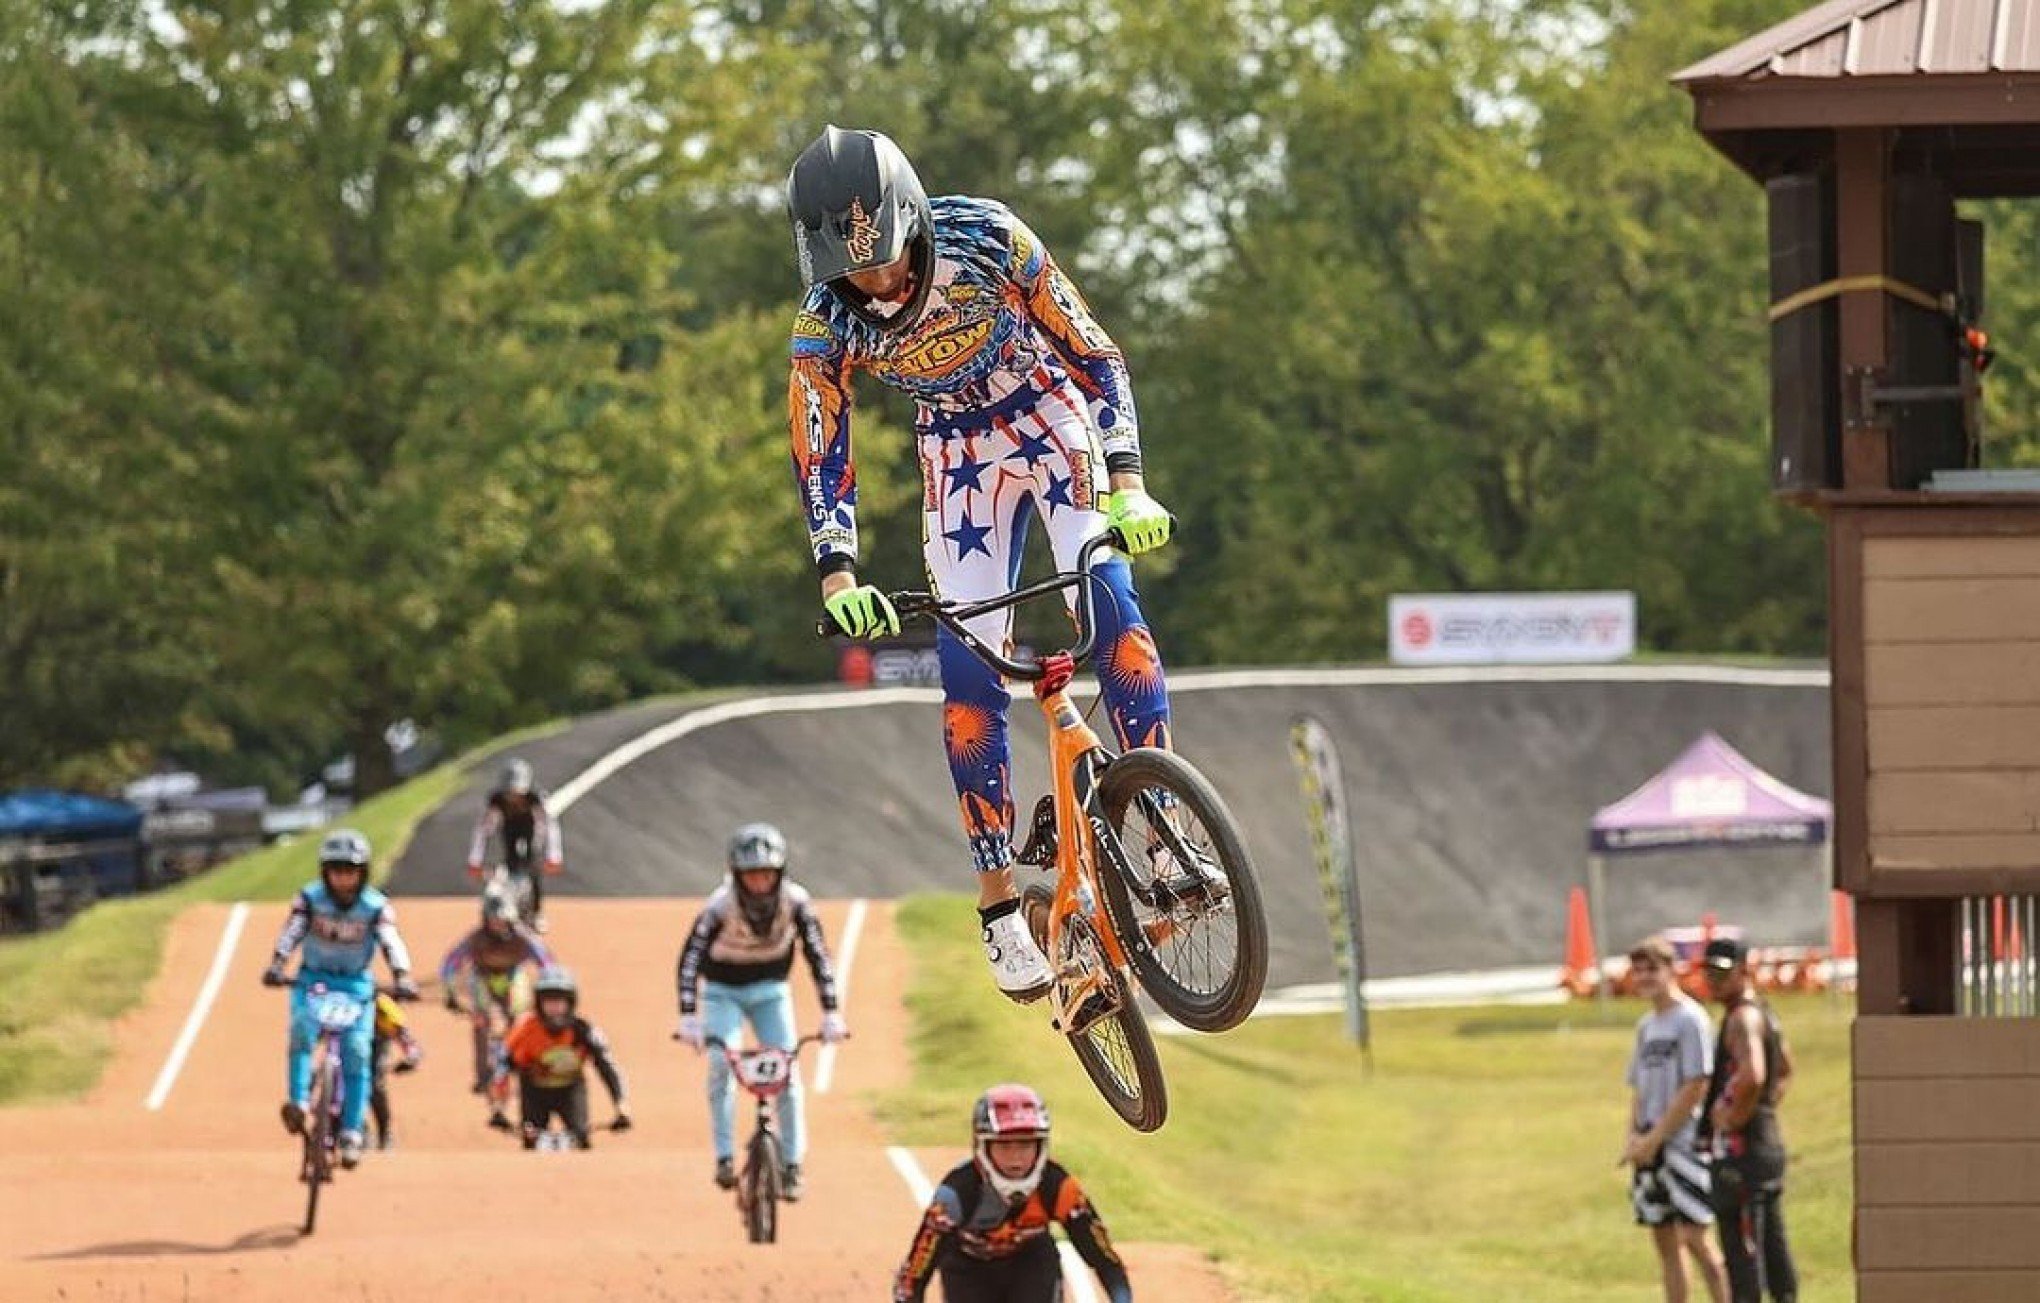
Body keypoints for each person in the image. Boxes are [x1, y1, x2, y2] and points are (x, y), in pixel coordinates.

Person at [784, 125, 1177, 1004]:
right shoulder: (824, 320)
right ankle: (999, 901)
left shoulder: (990, 238)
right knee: (967, 680)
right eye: (851, 271)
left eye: (882, 260)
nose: (874, 285)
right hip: (955, 461)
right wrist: (839, 573)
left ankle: (1160, 822)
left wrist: (1129, 485)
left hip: (1047, 416)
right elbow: (822, 442)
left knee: (1112, 600)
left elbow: (1097, 352)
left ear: (914, 217)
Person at [674, 823, 848, 1202]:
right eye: (751, 875)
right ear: (737, 875)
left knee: (786, 1068)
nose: (759, 883)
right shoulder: (719, 905)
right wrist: (689, 1015)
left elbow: (818, 954)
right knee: (722, 1063)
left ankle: (791, 1164)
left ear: (780, 873)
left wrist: (831, 1011)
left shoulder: (797, 901)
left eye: (766, 874)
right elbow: (690, 958)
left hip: (772, 991)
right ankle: (723, 1157)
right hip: (722, 993)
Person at [261, 828, 419, 1169]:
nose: (343, 880)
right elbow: (291, 933)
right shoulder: (309, 900)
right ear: (325, 873)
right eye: (336, 871)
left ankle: (351, 1131)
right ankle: (299, 1102)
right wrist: (277, 964)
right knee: (302, 1031)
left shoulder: (375, 907)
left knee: (358, 1051)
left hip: (355, 987)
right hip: (312, 982)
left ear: (363, 874)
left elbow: (391, 942)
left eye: (350, 872)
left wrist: (403, 976)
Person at [891, 1084, 1131, 1303]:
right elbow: (912, 1278)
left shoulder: (1059, 1187)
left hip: (1031, 1261)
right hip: (968, 1268)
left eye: (1025, 1145)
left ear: (1041, 1146)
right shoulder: (955, 1195)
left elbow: (1106, 1261)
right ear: (983, 1146)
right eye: (1004, 1146)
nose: (1016, 1159)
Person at [1621, 936, 1728, 1303]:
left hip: (1683, 1143)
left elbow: (1696, 1084)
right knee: (1665, 1241)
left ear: (1671, 970)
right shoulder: (1646, 1026)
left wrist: (1658, 1138)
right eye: (1639, 970)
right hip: (1650, 1145)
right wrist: (1634, 1138)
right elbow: (1638, 1089)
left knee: (1697, 1238)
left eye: (1653, 968)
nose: (1645, 977)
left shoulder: (1690, 1019)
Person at [1700, 937, 1799, 1303]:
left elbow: (1754, 1074)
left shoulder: (1741, 1018)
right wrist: (1765, 1109)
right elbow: (1785, 1069)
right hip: (1766, 1145)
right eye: (1709, 973)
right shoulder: (1765, 1013)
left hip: (1743, 1157)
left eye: (1723, 974)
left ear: (1744, 971)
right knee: (1773, 1244)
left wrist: (1731, 1117)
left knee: (1743, 1256)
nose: (1714, 981)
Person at [440, 886, 555, 1129]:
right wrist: (450, 991)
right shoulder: (475, 939)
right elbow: (450, 963)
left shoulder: (524, 938)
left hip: (512, 977)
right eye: (494, 920)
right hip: (482, 979)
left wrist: (548, 989)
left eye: (504, 920)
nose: (499, 925)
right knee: (482, 1023)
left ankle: (518, 1065)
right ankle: (484, 1075)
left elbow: (545, 962)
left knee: (519, 1023)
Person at [501, 966, 631, 1149]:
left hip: (571, 1090)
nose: (554, 1008)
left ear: (570, 1003)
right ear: (539, 1004)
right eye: (549, 1001)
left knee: (580, 1139)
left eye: (559, 1001)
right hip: (534, 1091)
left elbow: (607, 1067)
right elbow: (503, 1067)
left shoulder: (584, 1031)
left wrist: (621, 1107)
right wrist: (499, 1108)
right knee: (532, 1141)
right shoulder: (524, 1030)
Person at [466, 757, 564, 929]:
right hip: (508, 828)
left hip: (532, 828)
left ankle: (536, 912)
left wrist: (553, 856)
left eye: (517, 793)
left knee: (532, 865)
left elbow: (550, 826)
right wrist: (475, 860)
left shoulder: (536, 799)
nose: (513, 798)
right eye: (509, 793)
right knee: (509, 865)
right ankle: (507, 906)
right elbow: (482, 830)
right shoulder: (496, 802)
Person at [367, 989, 424, 1151]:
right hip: (350, 1042)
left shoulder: (385, 1010)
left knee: (375, 1084)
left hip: (377, 1045)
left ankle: (385, 1133)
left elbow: (408, 1041)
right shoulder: (349, 1003)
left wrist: (411, 1059)